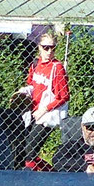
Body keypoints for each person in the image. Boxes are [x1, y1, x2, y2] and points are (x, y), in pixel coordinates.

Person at [18, 27, 70, 167]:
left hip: (46, 115)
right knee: (23, 152)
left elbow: (64, 96)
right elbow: (31, 85)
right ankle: (49, 172)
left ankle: (42, 174)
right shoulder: (36, 64)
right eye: (45, 47)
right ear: (39, 47)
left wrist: (44, 109)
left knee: (29, 153)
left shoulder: (57, 68)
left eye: (52, 48)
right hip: (33, 112)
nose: (49, 51)